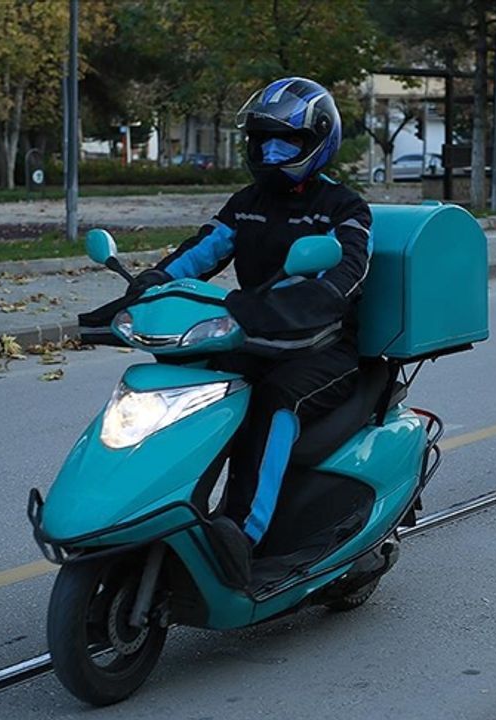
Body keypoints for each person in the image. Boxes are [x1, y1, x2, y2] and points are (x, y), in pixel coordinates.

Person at [127, 77, 372, 575]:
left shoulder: (344, 207)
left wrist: (308, 301)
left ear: (318, 142)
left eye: (286, 141)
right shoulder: (247, 202)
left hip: (323, 348)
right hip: (254, 336)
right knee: (194, 389)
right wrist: (149, 284)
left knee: (274, 400)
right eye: (263, 140)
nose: (271, 151)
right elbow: (202, 251)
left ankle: (242, 535)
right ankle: (157, 507)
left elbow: (347, 273)